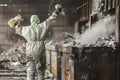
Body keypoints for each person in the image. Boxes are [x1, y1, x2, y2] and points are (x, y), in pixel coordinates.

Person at [8, 4, 63, 80]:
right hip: (40, 49)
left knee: (30, 71)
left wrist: (18, 20)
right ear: (38, 20)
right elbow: (51, 19)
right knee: (40, 71)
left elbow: (17, 28)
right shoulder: (42, 26)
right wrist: (57, 11)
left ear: (31, 21)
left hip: (30, 50)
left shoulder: (26, 29)